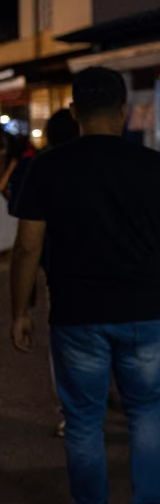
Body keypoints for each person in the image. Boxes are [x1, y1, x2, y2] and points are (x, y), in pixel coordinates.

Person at [8, 67, 160, 504]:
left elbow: (27, 248)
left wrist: (20, 311)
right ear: (123, 111)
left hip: (76, 312)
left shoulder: (48, 167)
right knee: (146, 411)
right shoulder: (154, 165)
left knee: (83, 419)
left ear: (75, 112)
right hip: (142, 310)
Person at [7, 108, 80, 438]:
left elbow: (26, 245)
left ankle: (71, 413)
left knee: (65, 347)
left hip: (58, 267)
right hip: (120, 275)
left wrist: (21, 310)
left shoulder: (39, 166)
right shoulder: (106, 162)